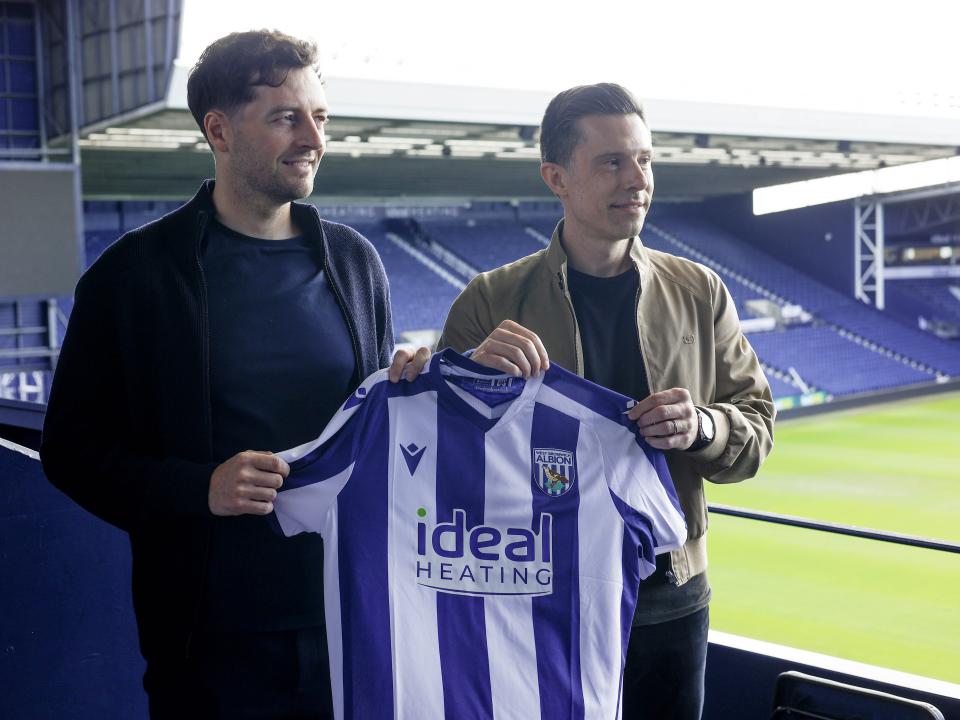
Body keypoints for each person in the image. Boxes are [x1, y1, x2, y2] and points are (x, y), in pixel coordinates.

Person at [40, 30, 429, 719]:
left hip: (348, 616)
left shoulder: (353, 260)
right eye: (286, 117)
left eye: (321, 117)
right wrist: (201, 487)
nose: (313, 136)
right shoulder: (135, 276)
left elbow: (367, 428)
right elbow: (71, 452)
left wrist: (409, 391)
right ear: (218, 129)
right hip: (209, 643)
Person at [438, 83, 775, 719]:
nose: (637, 179)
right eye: (612, 162)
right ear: (556, 177)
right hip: (536, 596)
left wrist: (702, 426)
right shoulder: (489, 300)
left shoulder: (699, 291)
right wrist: (469, 388)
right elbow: (442, 460)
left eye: (644, 159)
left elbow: (756, 432)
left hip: (670, 601)